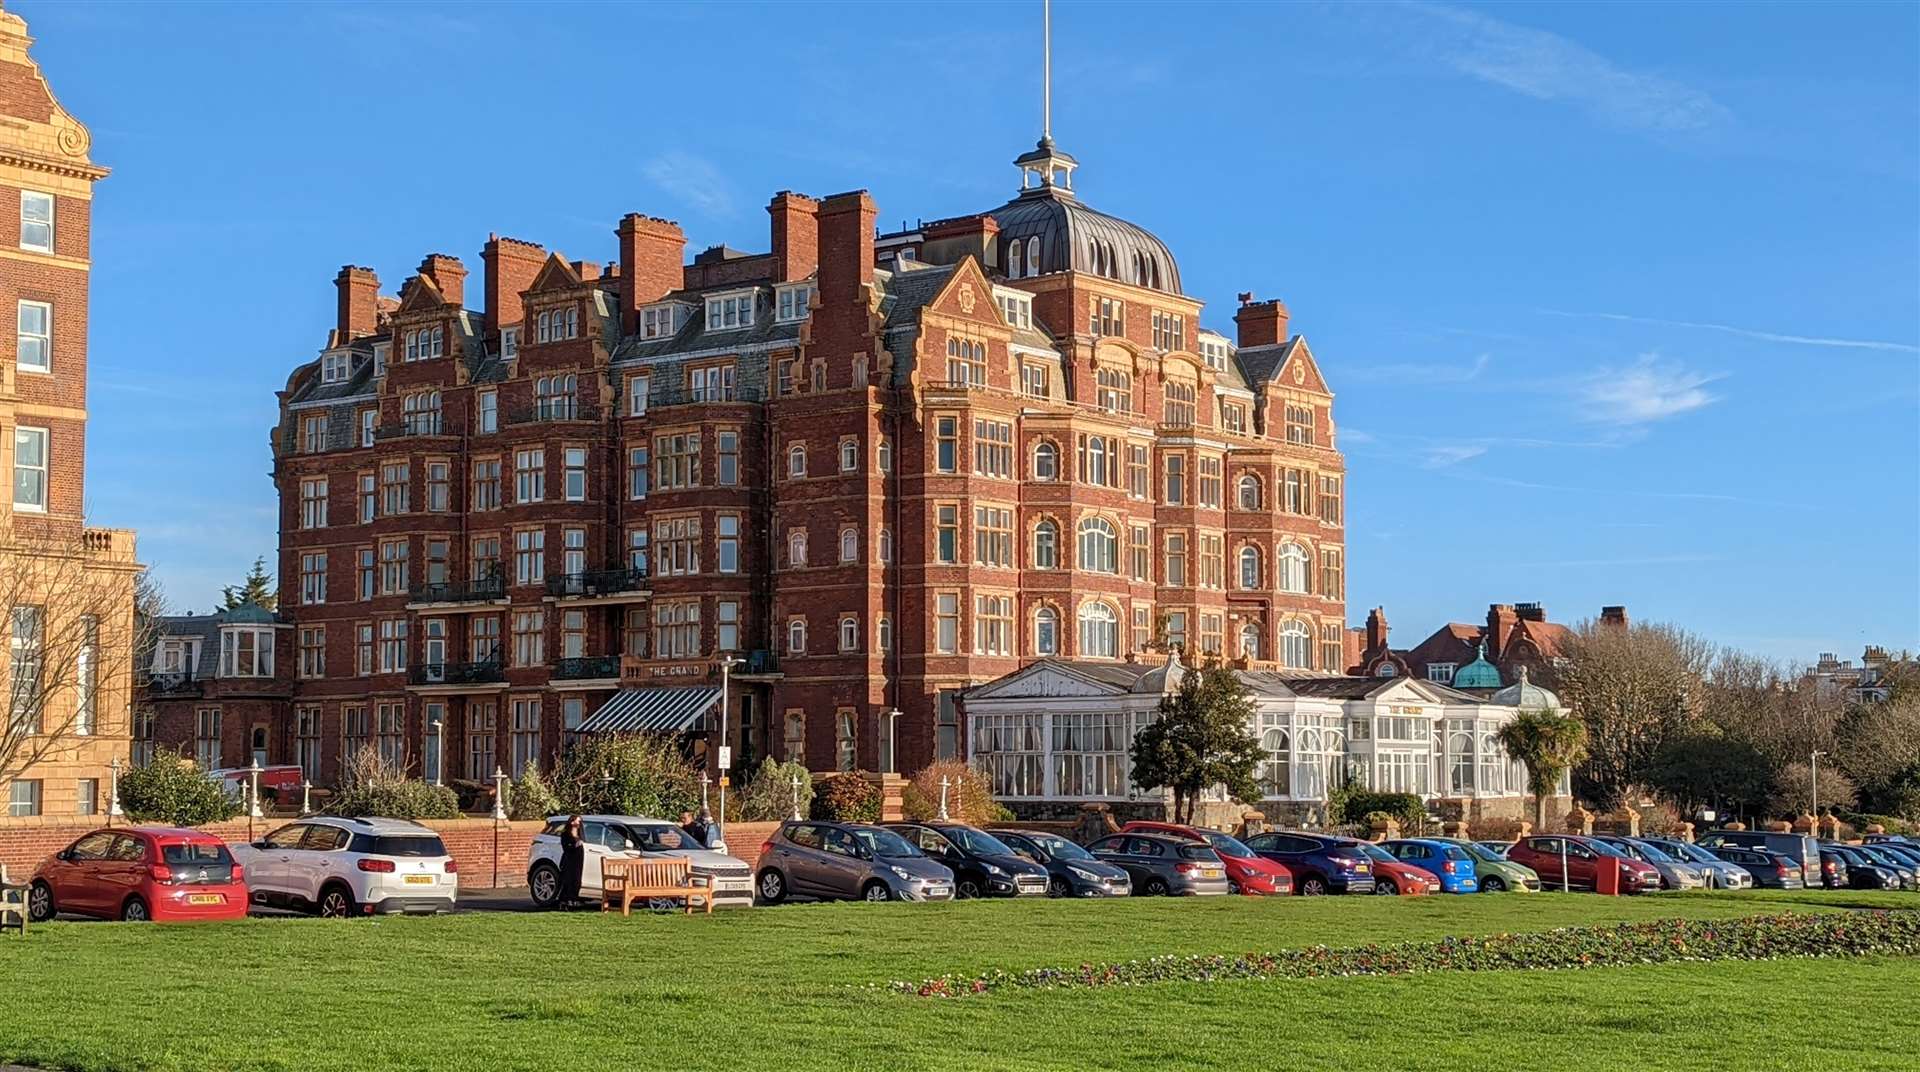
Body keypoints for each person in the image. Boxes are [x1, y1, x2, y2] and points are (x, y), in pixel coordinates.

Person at [557, 814, 585, 907]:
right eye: (577, 821)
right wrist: (574, 845)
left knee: (577, 880)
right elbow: (565, 847)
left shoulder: (580, 833)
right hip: (569, 859)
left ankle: (574, 898)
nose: (578, 823)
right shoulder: (566, 834)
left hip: (578, 860)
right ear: (572, 822)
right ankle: (565, 900)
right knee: (568, 879)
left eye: (579, 821)